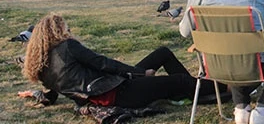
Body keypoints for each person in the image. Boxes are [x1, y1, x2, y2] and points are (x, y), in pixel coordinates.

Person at [22, 14, 221, 109]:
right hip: (115, 94)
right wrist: (141, 73)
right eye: (66, 28)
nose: (69, 32)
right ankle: (225, 89)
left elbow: (55, 90)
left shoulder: (42, 65)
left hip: (107, 89)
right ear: (58, 31)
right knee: (179, 80)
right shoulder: (67, 47)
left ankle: (191, 93)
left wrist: (42, 97)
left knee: (162, 53)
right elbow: (102, 63)